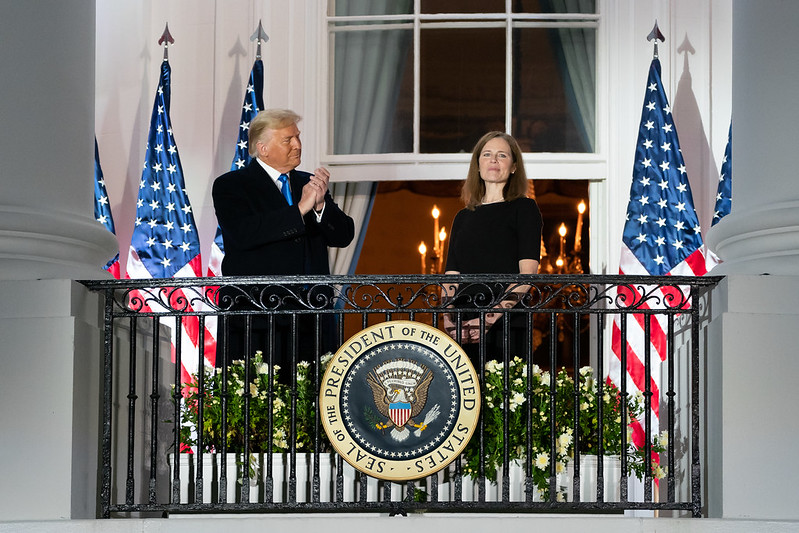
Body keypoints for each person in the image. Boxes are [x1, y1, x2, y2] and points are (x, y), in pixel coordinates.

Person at [212, 108, 355, 376]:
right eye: (288, 139)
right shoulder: (232, 185)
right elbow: (243, 234)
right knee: (257, 408)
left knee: (310, 406)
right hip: (257, 318)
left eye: (298, 137)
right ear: (262, 148)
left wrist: (321, 204)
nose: (297, 145)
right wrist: (299, 209)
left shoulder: (308, 183)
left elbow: (343, 235)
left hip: (310, 317)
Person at [442, 131, 543, 362]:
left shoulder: (525, 209)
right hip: (464, 324)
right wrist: (448, 317)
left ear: (514, 166)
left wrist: (486, 319)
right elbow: (451, 274)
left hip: (507, 322)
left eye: (502, 155)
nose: (494, 160)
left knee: (505, 394)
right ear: (478, 165)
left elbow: (527, 275)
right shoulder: (462, 217)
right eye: (487, 154)